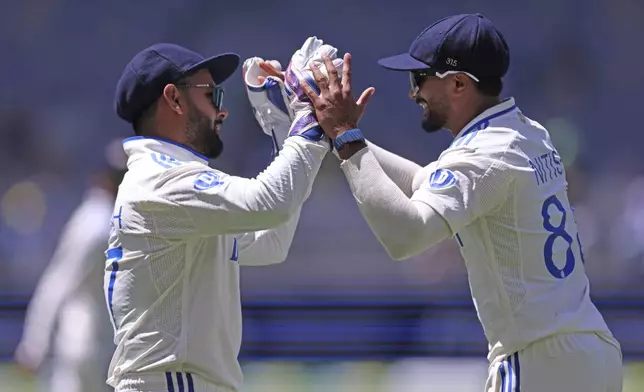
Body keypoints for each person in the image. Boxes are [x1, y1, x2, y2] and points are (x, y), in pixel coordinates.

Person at [296, 13, 623, 392]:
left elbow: (405, 235)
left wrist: (345, 135)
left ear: (457, 83)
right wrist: (337, 135)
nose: (413, 93)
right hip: (590, 350)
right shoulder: (527, 133)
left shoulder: (484, 154)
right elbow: (426, 182)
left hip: (539, 360)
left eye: (419, 79)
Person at [105, 39, 335, 392]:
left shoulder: (166, 179)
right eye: (212, 95)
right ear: (174, 98)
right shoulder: (164, 178)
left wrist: (282, 126)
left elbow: (272, 240)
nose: (221, 111)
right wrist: (307, 113)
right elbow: (269, 203)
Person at [14, 142, 127, 392]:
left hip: (92, 346)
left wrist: (33, 345)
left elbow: (58, 282)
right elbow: (60, 283)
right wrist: (35, 343)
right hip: (93, 346)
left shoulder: (98, 221)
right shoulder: (100, 223)